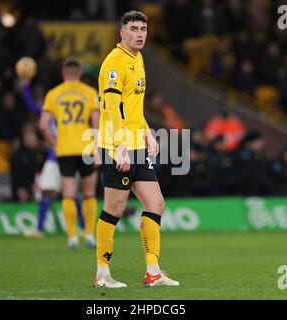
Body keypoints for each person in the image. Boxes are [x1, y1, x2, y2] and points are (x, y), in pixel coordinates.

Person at [94, 10, 179, 288]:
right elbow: (111, 108)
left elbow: (132, 107)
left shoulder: (138, 58)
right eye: (134, 28)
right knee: (113, 211)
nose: (140, 33)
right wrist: (119, 148)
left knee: (156, 204)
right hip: (118, 147)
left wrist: (146, 133)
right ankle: (102, 274)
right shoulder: (114, 63)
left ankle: (153, 272)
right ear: (122, 32)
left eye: (143, 28)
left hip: (136, 146)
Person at [39, 58, 99, 249]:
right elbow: (96, 124)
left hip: (64, 149)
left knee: (68, 195)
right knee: (89, 194)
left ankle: (72, 236)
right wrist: (97, 148)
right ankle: (90, 235)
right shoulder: (89, 93)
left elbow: (43, 125)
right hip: (85, 149)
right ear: (79, 73)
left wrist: (53, 141)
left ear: (64, 73)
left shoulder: (53, 94)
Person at [19, 79, 85, 239]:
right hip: (53, 158)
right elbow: (31, 106)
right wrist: (26, 86)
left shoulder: (70, 115)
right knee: (48, 192)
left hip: (67, 156)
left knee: (73, 194)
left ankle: (84, 228)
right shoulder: (48, 113)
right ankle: (39, 229)